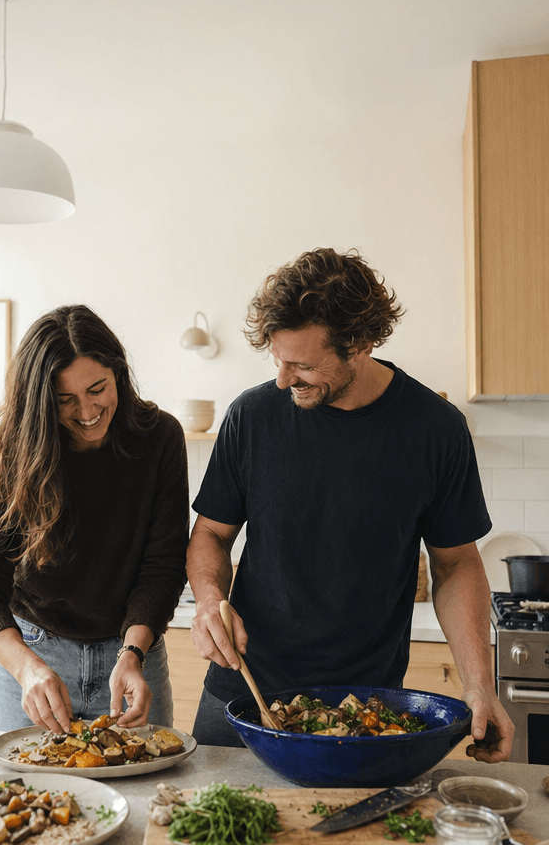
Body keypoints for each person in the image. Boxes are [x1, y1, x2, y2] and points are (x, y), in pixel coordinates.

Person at [187, 247, 514, 761]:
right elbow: (211, 534)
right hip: (243, 696)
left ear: (360, 343)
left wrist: (478, 684)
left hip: (367, 708)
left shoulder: (435, 430)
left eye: (302, 364)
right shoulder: (251, 417)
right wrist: (209, 601)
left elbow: (455, 564)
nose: (283, 380)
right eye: (278, 360)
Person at [0, 304, 189, 735]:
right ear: (41, 403)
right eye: (65, 400)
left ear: (118, 372)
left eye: (97, 389)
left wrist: (132, 653)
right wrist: (26, 669)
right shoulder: (16, 451)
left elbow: (163, 568)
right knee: (22, 800)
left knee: (141, 800)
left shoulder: (161, 440)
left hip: (132, 656)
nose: (87, 411)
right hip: (34, 658)